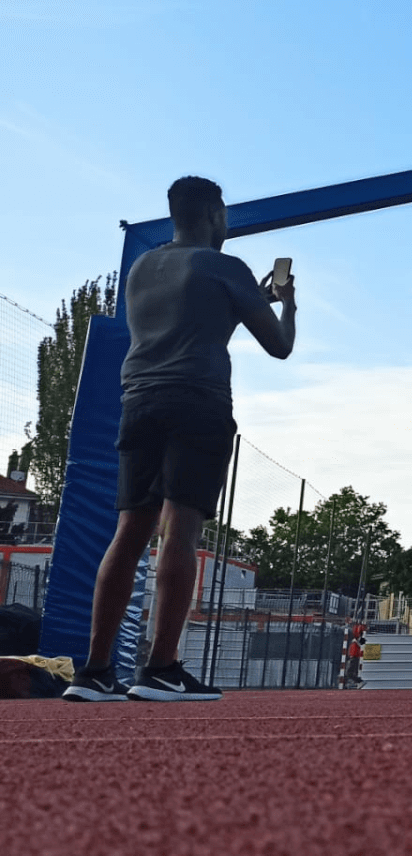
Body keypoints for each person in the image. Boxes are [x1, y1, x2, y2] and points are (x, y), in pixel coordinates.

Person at [62, 176, 297, 704]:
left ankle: (95, 672)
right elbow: (279, 345)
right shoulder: (226, 267)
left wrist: (245, 298)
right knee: (180, 532)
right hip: (197, 401)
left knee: (130, 532)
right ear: (215, 215)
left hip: (139, 401)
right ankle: (161, 669)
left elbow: (188, 311)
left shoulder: (144, 268)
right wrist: (286, 303)